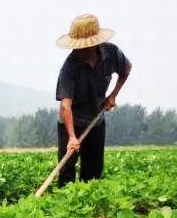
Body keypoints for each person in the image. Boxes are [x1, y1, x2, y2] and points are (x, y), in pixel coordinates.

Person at [54, 13, 132, 186]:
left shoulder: (111, 53)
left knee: (93, 171)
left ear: (95, 44)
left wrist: (113, 95)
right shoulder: (69, 67)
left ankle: (89, 205)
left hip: (96, 120)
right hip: (71, 123)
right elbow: (65, 105)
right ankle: (65, 204)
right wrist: (72, 137)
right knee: (66, 169)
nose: (79, 51)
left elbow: (126, 68)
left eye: (83, 47)